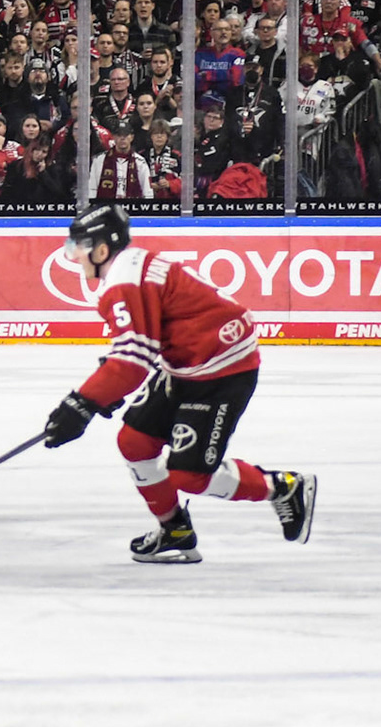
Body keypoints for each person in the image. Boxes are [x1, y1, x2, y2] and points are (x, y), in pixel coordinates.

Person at [42, 206, 316, 563]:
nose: (74, 255)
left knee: (189, 475)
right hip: (188, 363)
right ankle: (175, 530)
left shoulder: (123, 281)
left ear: (102, 250)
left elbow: (132, 362)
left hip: (223, 370)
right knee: (135, 441)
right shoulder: (129, 265)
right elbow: (143, 344)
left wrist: (81, 404)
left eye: (80, 245)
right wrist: (103, 390)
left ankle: (283, 488)